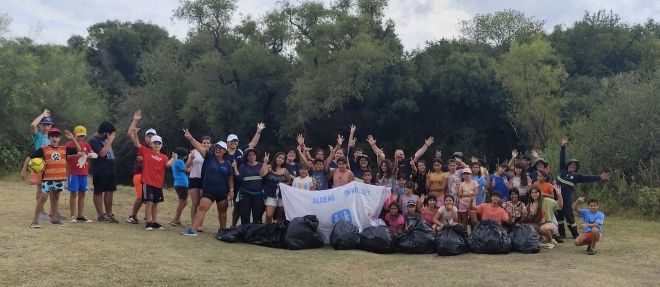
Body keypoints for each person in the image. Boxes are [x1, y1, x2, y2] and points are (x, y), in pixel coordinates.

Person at [182, 130, 237, 236]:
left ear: (225, 151)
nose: (217, 149)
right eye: (216, 147)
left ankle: (222, 231)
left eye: (220, 148)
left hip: (222, 192)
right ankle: (193, 230)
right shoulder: (209, 157)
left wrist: (231, 190)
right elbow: (200, 147)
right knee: (202, 208)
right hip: (209, 190)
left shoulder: (227, 164)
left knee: (222, 212)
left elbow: (230, 178)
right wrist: (191, 138)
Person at [128, 110, 176, 231]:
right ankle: (148, 222)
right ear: (151, 143)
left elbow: (168, 165)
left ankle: (154, 222)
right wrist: (135, 133)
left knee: (155, 203)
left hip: (158, 183)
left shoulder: (164, 156)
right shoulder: (146, 151)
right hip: (147, 182)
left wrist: (174, 159)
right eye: (155, 142)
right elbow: (137, 144)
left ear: (161, 144)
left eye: (158, 143)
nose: (156, 144)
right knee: (148, 201)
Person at [556, 135, 611, 239]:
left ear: (576, 168)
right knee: (559, 215)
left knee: (569, 215)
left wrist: (600, 177)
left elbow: (588, 178)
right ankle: (561, 234)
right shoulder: (562, 170)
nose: (573, 166)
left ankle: (575, 234)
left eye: (575, 166)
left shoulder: (576, 176)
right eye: (571, 164)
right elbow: (562, 157)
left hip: (567, 198)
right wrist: (563, 145)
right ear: (567, 165)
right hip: (557, 196)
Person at [29, 128, 81, 228]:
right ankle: (35, 220)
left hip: (59, 178)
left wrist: (72, 139)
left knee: (56, 197)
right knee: (43, 197)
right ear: (49, 138)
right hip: (47, 178)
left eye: (57, 136)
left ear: (60, 139)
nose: (54, 138)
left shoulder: (63, 149)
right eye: (52, 136)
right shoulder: (44, 149)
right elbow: (31, 157)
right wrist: (25, 170)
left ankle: (54, 218)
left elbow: (79, 150)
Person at [228, 122, 266, 228]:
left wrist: (258, 131)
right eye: (231, 141)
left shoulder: (240, 151)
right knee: (231, 206)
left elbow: (252, 144)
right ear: (227, 142)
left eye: (235, 141)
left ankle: (234, 226)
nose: (233, 143)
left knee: (239, 207)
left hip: (241, 182)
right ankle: (233, 226)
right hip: (229, 182)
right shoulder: (224, 153)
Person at [20, 109, 54, 221]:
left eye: (48, 124)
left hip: (49, 165)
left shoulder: (51, 137)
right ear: (40, 126)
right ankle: (41, 211)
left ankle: (54, 211)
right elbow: (33, 124)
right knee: (40, 189)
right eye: (44, 124)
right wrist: (43, 115)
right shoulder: (38, 135)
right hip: (38, 165)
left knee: (51, 188)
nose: (46, 127)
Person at [88, 121, 118, 223]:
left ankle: (109, 214)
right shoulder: (93, 140)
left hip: (110, 169)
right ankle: (101, 215)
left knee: (110, 190)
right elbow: (102, 153)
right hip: (100, 170)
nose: (113, 136)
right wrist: (109, 141)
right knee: (98, 191)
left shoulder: (106, 140)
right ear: (106, 133)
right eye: (112, 134)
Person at [127, 128, 158, 224]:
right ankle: (133, 216)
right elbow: (131, 136)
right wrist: (135, 121)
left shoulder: (157, 149)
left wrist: (145, 159)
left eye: (152, 136)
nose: (150, 138)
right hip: (139, 173)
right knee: (141, 196)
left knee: (150, 198)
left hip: (150, 175)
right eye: (148, 136)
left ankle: (147, 218)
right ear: (145, 137)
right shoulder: (142, 146)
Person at [65, 125, 95, 223]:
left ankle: (80, 215)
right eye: (79, 135)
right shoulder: (69, 144)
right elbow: (66, 157)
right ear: (74, 134)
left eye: (82, 136)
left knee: (82, 193)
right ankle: (72, 215)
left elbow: (92, 153)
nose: (81, 138)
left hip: (84, 173)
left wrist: (92, 155)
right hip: (73, 172)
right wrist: (77, 155)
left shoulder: (86, 145)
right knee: (74, 193)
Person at [184, 135, 210, 225]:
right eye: (204, 142)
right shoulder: (194, 151)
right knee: (195, 203)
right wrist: (191, 159)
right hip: (194, 178)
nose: (206, 144)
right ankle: (193, 224)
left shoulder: (212, 154)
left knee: (202, 204)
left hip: (205, 180)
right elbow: (187, 166)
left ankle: (200, 224)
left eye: (208, 143)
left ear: (211, 144)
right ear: (200, 143)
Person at [261, 152, 292, 224]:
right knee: (269, 216)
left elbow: (290, 181)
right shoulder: (269, 167)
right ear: (275, 158)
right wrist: (265, 163)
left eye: (283, 158)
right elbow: (261, 174)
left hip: (281, 196)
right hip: (270, 195)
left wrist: (282, 184)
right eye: (279, 157)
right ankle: (268, 231)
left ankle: (277, 233)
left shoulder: (284, 170)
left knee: (280, 218)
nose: (281, 159)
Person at [237, 148, 265, 224]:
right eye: (249, 155)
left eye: (253, 155)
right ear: (246, 157)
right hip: (246, 194)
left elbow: (265, 178)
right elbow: (239, 179)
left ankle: (256, 233)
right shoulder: (242, 167)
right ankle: (244, 232)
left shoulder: (262, 165)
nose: (252, 156)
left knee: (258, 215)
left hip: (258, 195)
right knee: (245, 214)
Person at [539, 183, 564, 248]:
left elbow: (560, 206)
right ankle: (549, 239)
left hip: (550, 223)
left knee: (543, 229)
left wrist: (559, 195)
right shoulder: (532, 203)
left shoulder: (548, 201)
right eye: (532, 193)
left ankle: (550, 242)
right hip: (540, 223)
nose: (535, 194)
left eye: (537, 192)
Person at [169, 147, 190, 227]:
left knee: (185, 202)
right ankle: (176, 220)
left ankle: (176, 218)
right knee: (182, 202)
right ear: (184, 156)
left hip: (178, 183)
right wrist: (193, 164)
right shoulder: (180, 162)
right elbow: (187, 171)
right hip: (182, 184)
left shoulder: (174, 161)